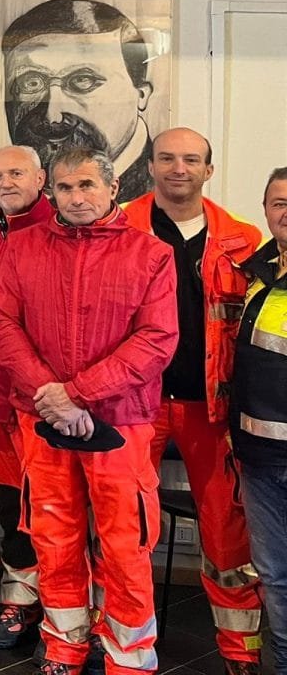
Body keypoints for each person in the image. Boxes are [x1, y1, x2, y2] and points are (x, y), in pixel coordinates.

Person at [0, 147, 178, 675]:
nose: (77, 197)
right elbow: (2, 325)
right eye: (66, 188)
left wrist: (79, 393)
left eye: (88, 185)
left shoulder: (151, 253)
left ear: (113, 187)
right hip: (43, 419)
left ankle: (129, 660)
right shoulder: (23, 247)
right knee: (54, 539)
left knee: (125, 547)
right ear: (52, 191)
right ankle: (63, 648)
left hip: (121, 421)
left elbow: (157, 340)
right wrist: (50, 392)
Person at [124, 128, 264, 668]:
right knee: (125, 525)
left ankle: (241, 652)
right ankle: (118, 643)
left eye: (190, 159)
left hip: (214, 408)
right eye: (166, 158)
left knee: (229, 534)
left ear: (209, 169)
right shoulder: (118, 229)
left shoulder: (244, 241)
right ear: (150, 166)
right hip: (136, 404)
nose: (177, 168)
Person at [0, 145, 53, 650]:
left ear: (40, 177)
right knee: (10, 509)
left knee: (54, 511)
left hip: (44, 407)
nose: (6, 181)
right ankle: (19, 604)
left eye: (17, 172)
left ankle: (65, 615)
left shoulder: (62, 232)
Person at [1, 0, 156, 201]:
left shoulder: (163, 193)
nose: (52, 115)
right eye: (32, 83)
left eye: (83, 81)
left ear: (141, 95)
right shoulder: (2, 210)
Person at [233, 168, 287, 671]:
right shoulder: (260, 274)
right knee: (274, 572)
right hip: (258, 451)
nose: (286, 211)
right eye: (278, 202)